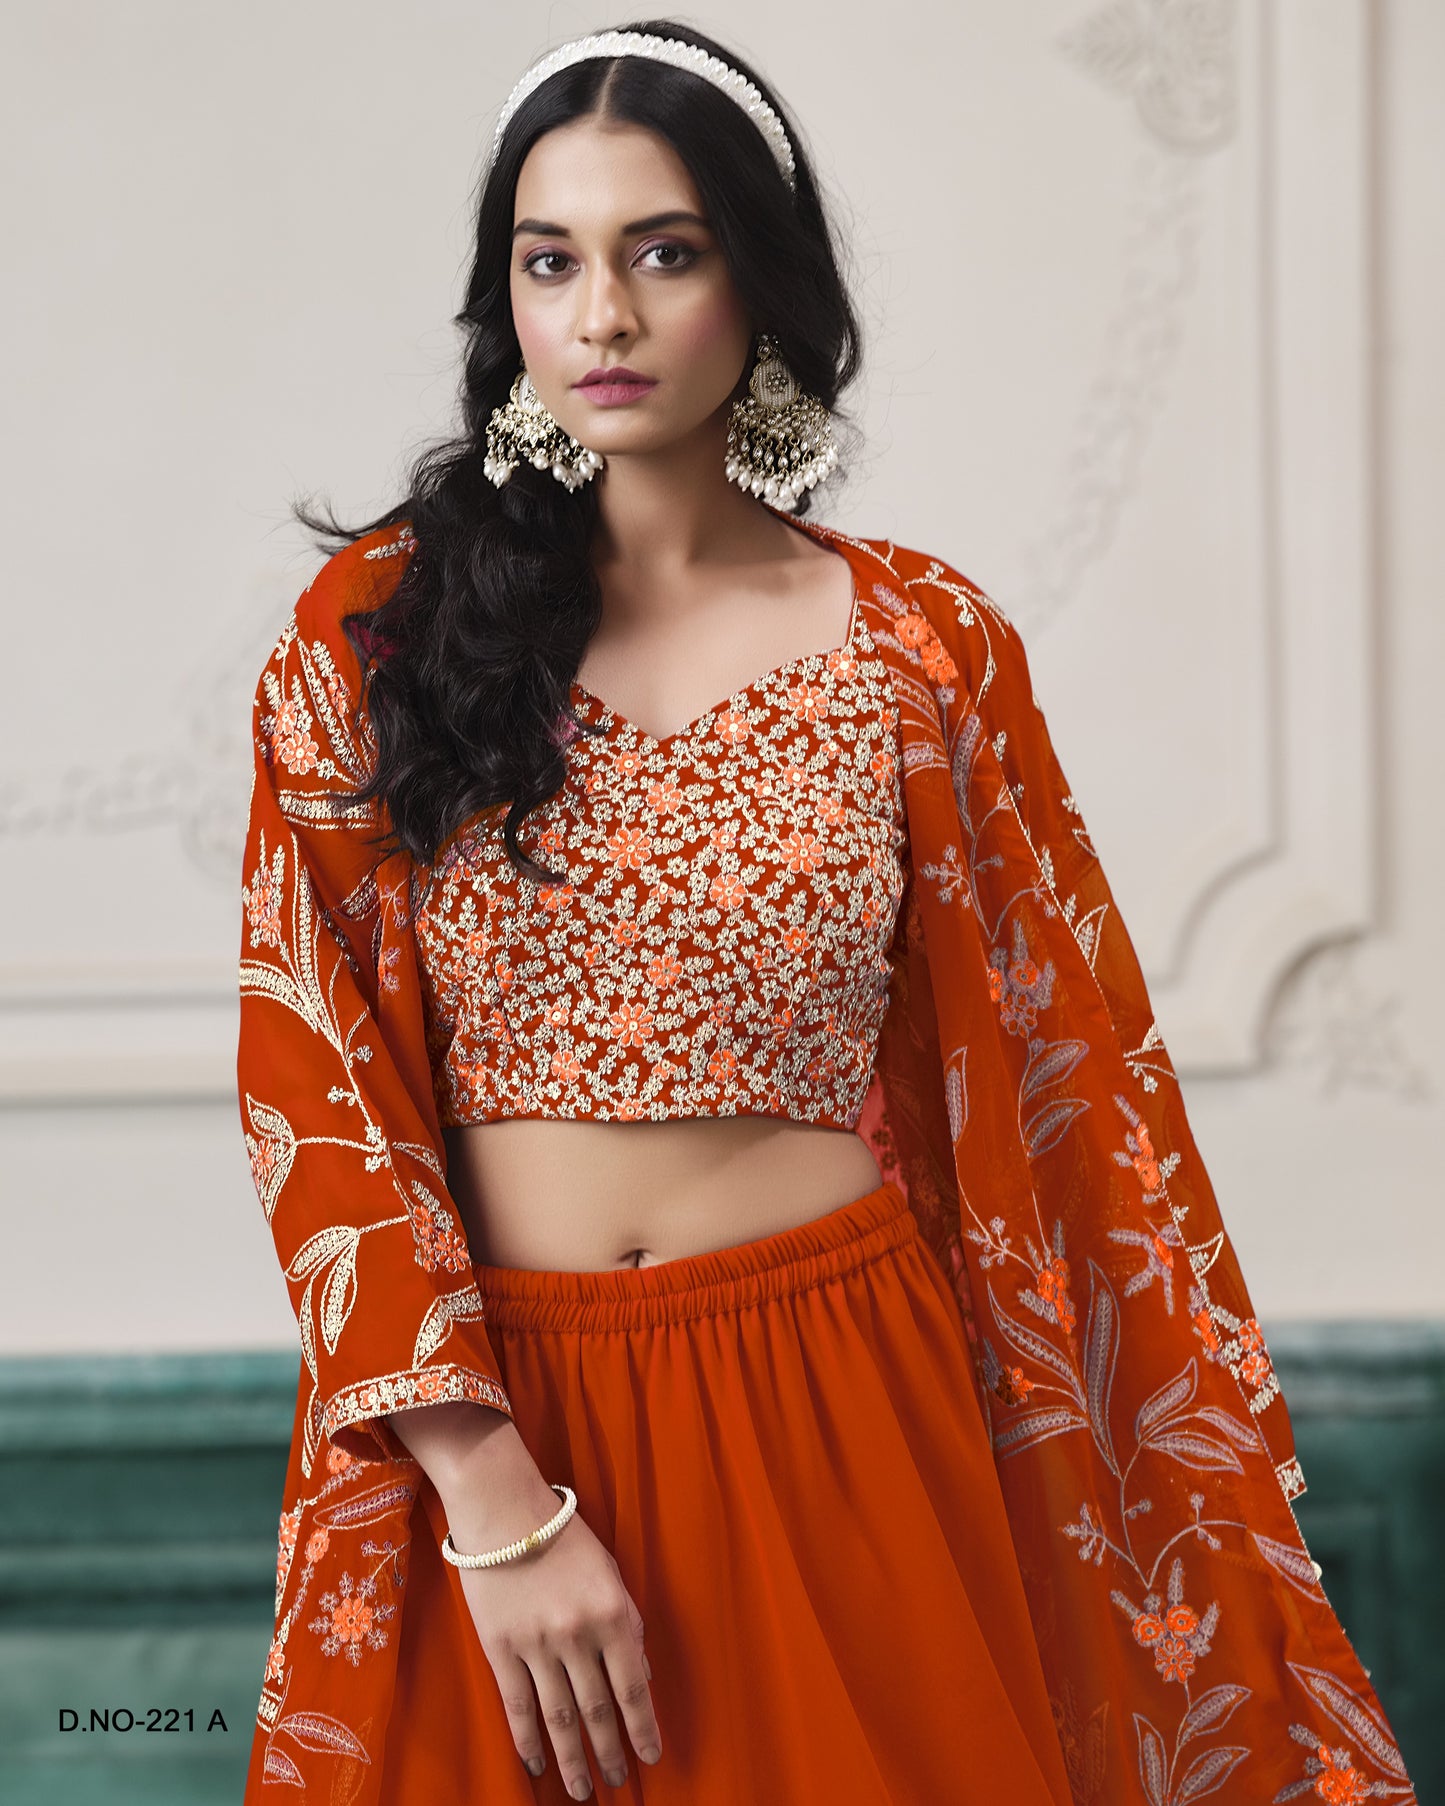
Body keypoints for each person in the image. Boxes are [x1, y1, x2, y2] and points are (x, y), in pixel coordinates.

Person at [236, 20, 1417, 1805]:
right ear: (506, 302)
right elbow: (315, 1081)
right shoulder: (378, 640)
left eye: (664, 252)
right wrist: (489, 1489)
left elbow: (1060, 1078)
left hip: (842, 1397)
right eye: (549, 262)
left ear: (759, 284)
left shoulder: (920, 644)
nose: (604, 318)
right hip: (503, 1423)